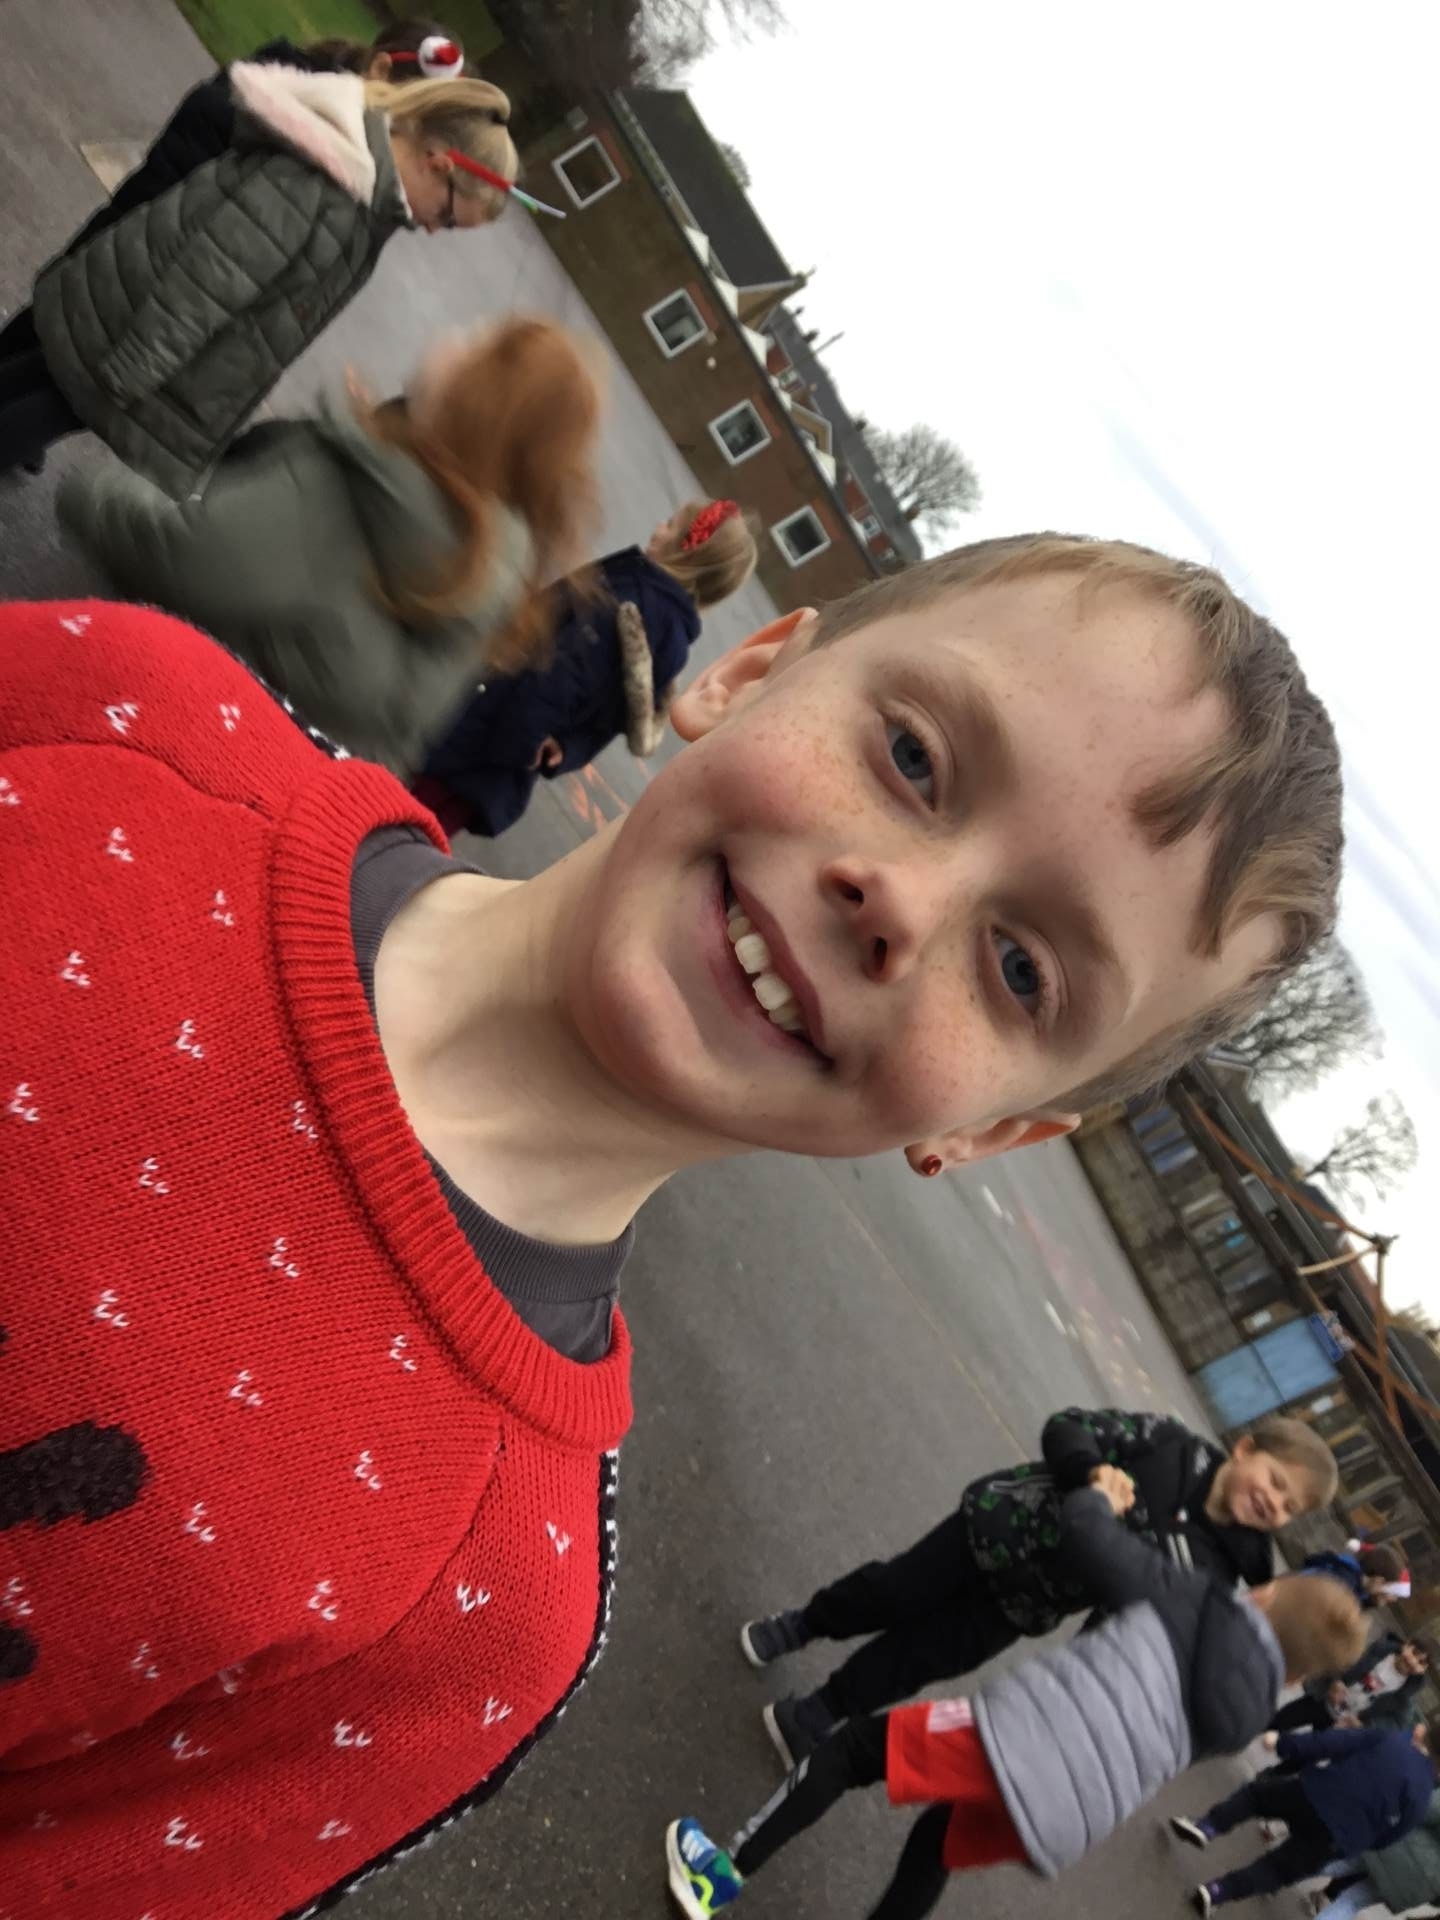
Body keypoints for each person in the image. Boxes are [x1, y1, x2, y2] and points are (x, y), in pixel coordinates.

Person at [0, 530, 1346, 1914]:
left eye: (1019, 969)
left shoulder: (485, 1606)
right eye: (913, 758)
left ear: (993, 1131)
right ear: (752, 671)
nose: (899, 899)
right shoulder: (125, 714)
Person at [664, 1475, 1364, 1919]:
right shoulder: (1246, 1720)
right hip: (1063, 1818)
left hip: (1013, 1742)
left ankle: (713, 1880)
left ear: (1265, 1595)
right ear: (1296, 1678)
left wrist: (1102, 1494)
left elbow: (1090, 1538)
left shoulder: (1197, 1599)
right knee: (935, 1846)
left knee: (850, 1753)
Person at [56, 318, 603, 774]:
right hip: (282, 786)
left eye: (476, 344)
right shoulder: (497, 565)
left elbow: (170, 552)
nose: (456, 337)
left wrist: (94, 490)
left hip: (168, 736)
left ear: (478, 402)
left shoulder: (341, 493)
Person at [0, 64, 516, 491]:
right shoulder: (331, 187)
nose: (435, 230)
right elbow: (214, 271)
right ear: (436, 163)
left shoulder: (363, 200)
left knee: (46, 377)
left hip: (134, 314)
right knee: (55, 402)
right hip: (142, 327)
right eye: (448, 217)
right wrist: (141, 360)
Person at [741, 1406, 1338, 1768]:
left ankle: (820, 1710)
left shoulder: (1218, 1572)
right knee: (891, 1592)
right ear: (1245, 1449)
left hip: (1028, 1605)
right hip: (993, 1529)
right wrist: (1092, 1471)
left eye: (1290, 1507)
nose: (1273, 1502)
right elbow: (1069, 1426)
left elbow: (1137, 1620)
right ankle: (804, 1623)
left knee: (920, 1658)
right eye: (1275, 1480)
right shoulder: (1171, 1443)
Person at [413, 498, 760, 837]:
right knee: (423, 830)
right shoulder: (672, 642)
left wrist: (518, 744)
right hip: (499, 760)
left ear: (686, 551)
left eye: (670, 525)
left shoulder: (635, 601)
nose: (659, 527)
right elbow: (611, 719)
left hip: (487, 735)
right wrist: (568, 747)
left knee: (402, 810)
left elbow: (559, 678)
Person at [1172, 1718, 1440, 1914]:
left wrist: (1285, 1744)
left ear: (1425, 1732)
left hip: (1314, 1792)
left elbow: (1334, 1743)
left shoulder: (1389, 1739)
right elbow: (1390, 1837)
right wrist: (1358, 1841)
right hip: (1337, 1837)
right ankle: (1217, 1891)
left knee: (1255, 1798)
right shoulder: (1422, 1797)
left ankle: (1208, 1826)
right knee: (1276, 1870)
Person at [1270, 1631, 1434, 1738]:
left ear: (1424, 1670)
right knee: (1283, 1718)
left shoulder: (1407, 1692)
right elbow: (1343, 1659)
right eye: (1414, 1653)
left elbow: (1397, 1723)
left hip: (1341, 1726)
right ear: (1407, 1644)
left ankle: (1272, 1776)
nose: (1413, 1661)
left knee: (1304, 1756)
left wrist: (1364, 1725)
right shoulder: (1379, 1650)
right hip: (1324, 1700)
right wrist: (1337, 1680)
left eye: (1421, 1663)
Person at [1318, 1781, 1440, 1918]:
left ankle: (1298, 1868)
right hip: (1416, 1884)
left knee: (1334, 1865)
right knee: (1351, 1903)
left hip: (1394, 1850)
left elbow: (1422, 1810)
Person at [1303, 1539, 1412, 1609]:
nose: (1394, 1600)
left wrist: (1371, 1603)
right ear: (1379, 1581)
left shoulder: (1354, 1585)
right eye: (1394, 1593)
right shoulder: (1343, 1584)